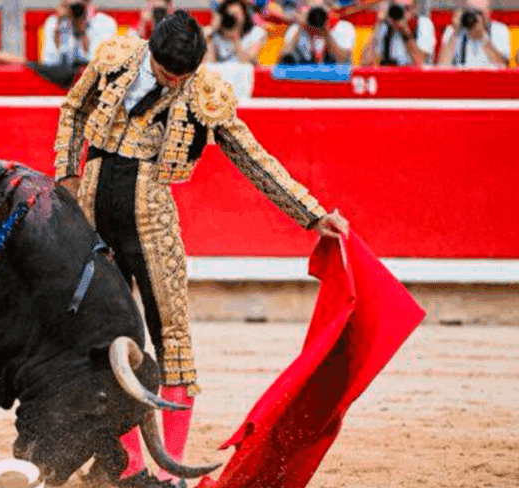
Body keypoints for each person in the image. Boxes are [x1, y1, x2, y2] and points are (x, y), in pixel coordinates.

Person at [53, 11, 349, 487]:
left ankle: (169, 471)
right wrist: (66, 173)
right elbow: (73, 109)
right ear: (150, 51)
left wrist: (312, 214)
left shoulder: (203, 92)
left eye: (181, 77)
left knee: (174, 345)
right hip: (90, 205)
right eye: (166, 74)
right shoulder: (115, 57)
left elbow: (253, 158)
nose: (173, 83)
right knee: (101, 339)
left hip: (150, 214)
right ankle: (127, 466)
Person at [40, 0, 118, 68]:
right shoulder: (54, 23)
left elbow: (95, 63)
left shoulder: (104, 23)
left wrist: (82, 31)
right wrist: (58, 27)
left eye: (79, 6)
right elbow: (49, 63)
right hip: (62, 78)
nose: (75, 11)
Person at [277, 0, 356, 64]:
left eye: (321, 11)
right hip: (304, 78)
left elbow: (343, 61)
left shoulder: (343, 28)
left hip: (335, 79)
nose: (317, 16)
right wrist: (300, 27)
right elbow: (282, 60)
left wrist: (327, 35)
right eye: (314, 12)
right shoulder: (296, 29)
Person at [437, 0, 510, 68]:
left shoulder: (499, 29)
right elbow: (442, 65)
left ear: (489, 12)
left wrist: (483, 38)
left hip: (490, 79)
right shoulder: (453, 30)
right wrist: (455, 32)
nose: (476, 17)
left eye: (479, 13)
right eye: (472, 12)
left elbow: (503, 66)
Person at [360, 0, 435, 66]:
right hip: (391, 76)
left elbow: (420, 62)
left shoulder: (423, 24)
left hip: (414, 77)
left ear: (414, 9)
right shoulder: (385, 26)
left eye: (406, 8)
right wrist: (378, 24)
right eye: (398, 8)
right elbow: (365, 62)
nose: (401, 13)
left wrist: (406, 33)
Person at [204, 0, 268, 63]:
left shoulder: (256, 33)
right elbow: (210, 63)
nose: (234, 18)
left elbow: (246, 61)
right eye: (230, 15)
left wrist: (235, 39)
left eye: (236, 14)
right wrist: (211, 31)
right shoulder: (216, 36)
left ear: (244, 14)